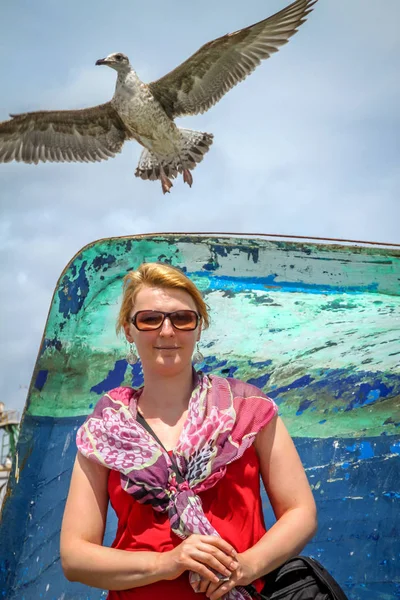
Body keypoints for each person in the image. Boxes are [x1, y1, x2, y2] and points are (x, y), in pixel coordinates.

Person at [60, 262, 317, 600]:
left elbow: (301, 512)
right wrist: (169, 563)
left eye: (182, 319)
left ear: (199, 327)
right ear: (128, 329)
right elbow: (75, 555)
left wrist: (245, 566)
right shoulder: (106, 431)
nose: (167, 332)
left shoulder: (249, 411)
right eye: (150, 319)